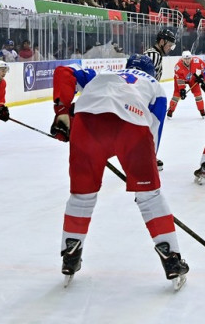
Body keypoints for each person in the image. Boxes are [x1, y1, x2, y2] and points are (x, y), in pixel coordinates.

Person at [49, 54, 188, 289]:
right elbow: (154, 129)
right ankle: (171, 258)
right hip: (132, 128)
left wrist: (63, 111)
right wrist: (144, 169)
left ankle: (70, 254)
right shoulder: (154, 86)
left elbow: (64, 71)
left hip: (86, 125)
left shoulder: (101, 74)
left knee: (82, 196)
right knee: (150, 197)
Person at [144, 29, 176, 171]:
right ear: (161, 42)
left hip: (146, 97)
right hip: (145, 99)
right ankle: (148, 158)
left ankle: (146, 155)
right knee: (152, 128)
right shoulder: (152, 55)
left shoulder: (155, 55)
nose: (170, 48)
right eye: (169, 45)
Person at [168, 51, 205, 119]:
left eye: (189, 58)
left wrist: (201, 76)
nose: (187, 60)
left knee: (198, 94)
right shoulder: (178, 66)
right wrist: (182, 89)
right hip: (181, 79)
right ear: (182, 59)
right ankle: (170, 110)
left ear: (191, 58)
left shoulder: (196, 60)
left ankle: (201, 110)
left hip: (192, 78)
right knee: (177, 95)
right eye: (185, 59)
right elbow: (179, 79)